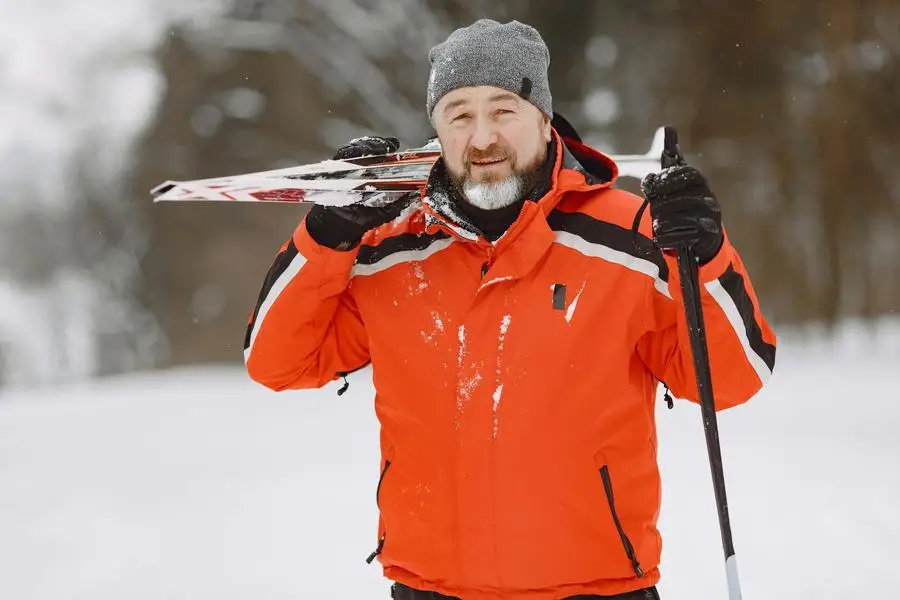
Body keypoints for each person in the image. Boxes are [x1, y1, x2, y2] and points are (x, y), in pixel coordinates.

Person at [244, 18, 776, 600]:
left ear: (545, 123)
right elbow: (278, 362)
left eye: (504, 110)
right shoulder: (390, 248)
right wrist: (325, 236)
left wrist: (705, 253)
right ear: (437, 132)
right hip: (430, 587)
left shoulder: (629, 234)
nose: (482, 138)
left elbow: (733, 377)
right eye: (460, 115)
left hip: (597, 587)